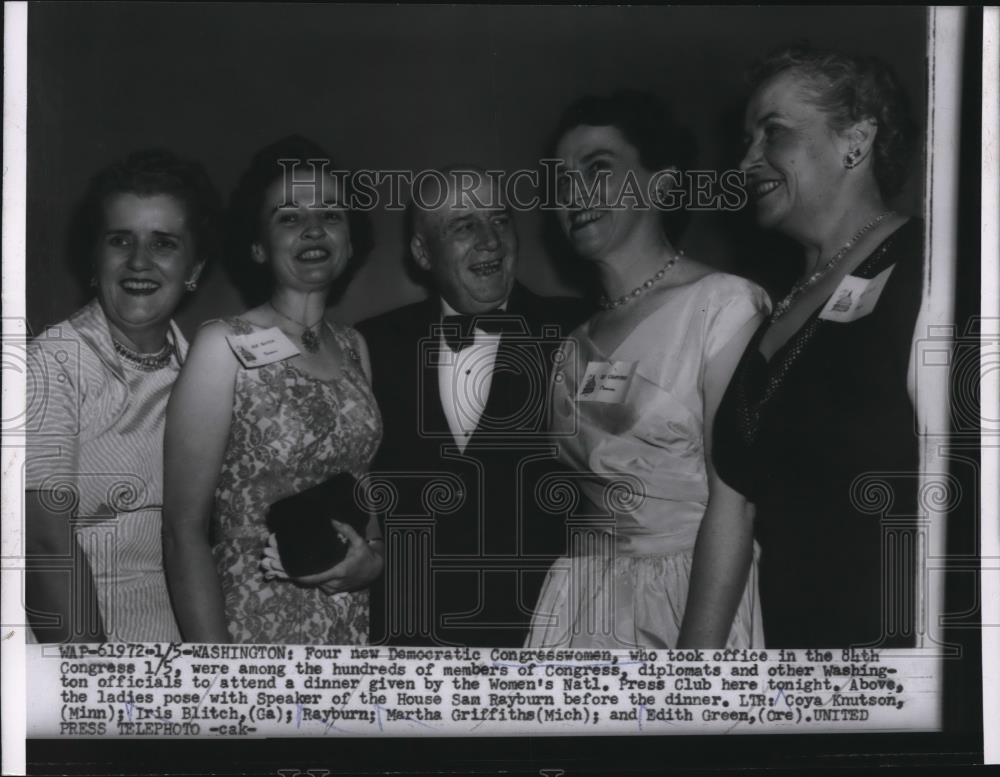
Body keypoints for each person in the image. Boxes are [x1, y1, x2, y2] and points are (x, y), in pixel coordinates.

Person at [525, 91, 771, 650]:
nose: (575, 192)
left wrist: (692, 673)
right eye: (562, 179)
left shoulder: (723, 306)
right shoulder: (569, 349)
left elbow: (738, 504)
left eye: (599, 170)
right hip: (579, 608)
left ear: (660, 184)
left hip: (690, 604)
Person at [713, 46, 922, 647]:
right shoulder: (780, 302)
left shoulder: (928, 271)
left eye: (771, 132)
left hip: (890, 652)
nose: (746, 159)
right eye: (747, 137)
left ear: (855, 142)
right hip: (791, 648)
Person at [163, 136, 383, 644]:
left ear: (349, 243)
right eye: (288, 216)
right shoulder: (222, 345)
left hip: (347, 623)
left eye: (331, 215)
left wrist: (371, 561)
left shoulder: (354, 347)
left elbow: (362, 494)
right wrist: (219, 678)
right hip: (249, 623)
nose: (312, 228)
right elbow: (182, 531)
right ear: (258, 245)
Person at [357, 167, 589, 647]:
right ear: (423, 253)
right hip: (408, 642)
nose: (490, 241)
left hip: (546, 639)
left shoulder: (582, 330)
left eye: (501, 221)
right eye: (464, 225)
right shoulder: (370, 345)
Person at [25, 149, 219, 642]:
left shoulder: (204, 370)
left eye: (163, 244)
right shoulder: (50, 365)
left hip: (187, 648)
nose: (139, 261)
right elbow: (44, 545)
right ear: (96, 258)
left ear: (193, 268)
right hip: (83, 653)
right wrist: (97, 686)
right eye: (120, 240)